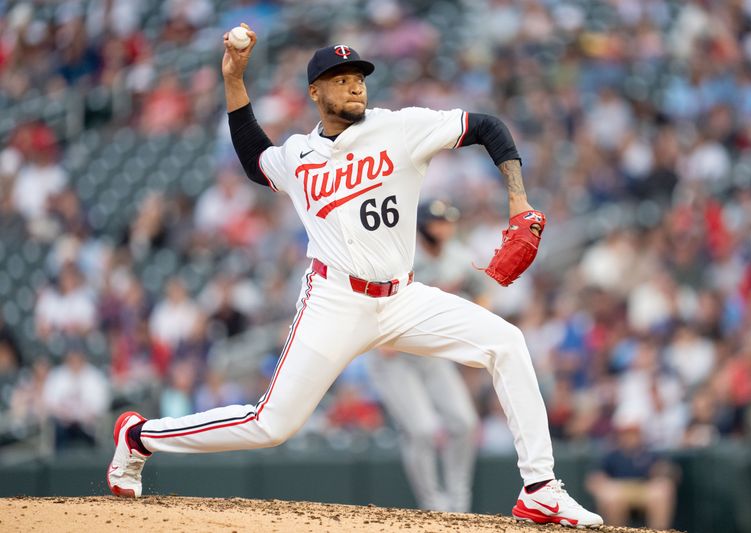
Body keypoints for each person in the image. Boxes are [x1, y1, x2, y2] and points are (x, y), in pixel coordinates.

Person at [107, 24, 603, 528]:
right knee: (270, 425)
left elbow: (488, 126)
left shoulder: (399, 128)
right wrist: (234, 79)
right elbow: (256, 159)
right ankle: (140, 436)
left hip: (402, 298)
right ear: (315, 92)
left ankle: (540, 487)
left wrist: (518, 198)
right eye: (339, 77)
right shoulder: (298, 155)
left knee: (507, 343)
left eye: (358, 76)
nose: (354, 85)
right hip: (334, 302)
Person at [365, 200, 479, 513]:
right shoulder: (403, 255)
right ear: (423, 226)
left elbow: (483, 287)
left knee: (464, 423)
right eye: (437, 222)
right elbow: (370, 294)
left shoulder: (458, 255)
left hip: (430, 352)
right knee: (423, 430)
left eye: (448, 222)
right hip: (394, 354)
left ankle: (458, 504)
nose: (444, 228)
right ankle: (432, 505)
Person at [586, 417, 678, 530]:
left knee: (663, 489)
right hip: (620, 491)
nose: (630, 437)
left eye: (634, 433)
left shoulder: (649, 453)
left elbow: (672, 473)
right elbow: (594, 479)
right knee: (612, 497)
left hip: (644, 490)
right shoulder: (612, 456)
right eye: (626, 434)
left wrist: (662, 471)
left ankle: (659, 531)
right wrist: (602, 485)